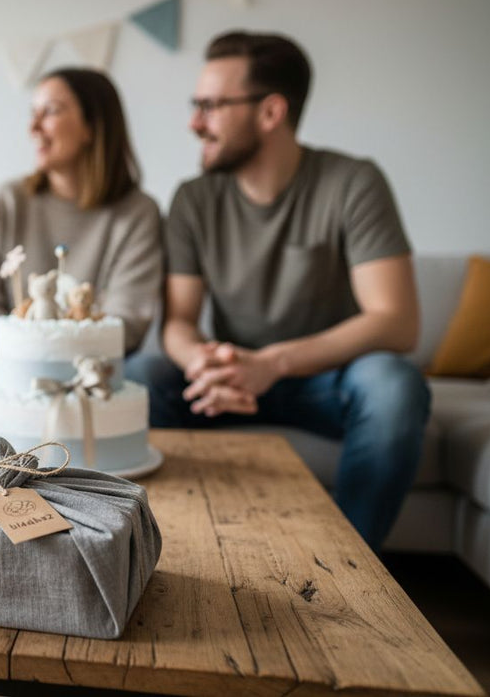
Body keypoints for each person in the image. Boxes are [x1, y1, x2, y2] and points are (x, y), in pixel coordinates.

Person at [130, 31, 430, 550]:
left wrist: (273, 363)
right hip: (229, 380)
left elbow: (396, 321)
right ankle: (164, 552)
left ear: (270, 112)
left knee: (394, 386)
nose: (194, 123)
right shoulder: (193, 199)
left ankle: (347, 568)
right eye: (195, 106)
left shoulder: (352, 182)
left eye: (210, 107)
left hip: (325, 381)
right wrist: (202, 362)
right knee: (139, 378)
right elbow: (178, 322)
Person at [0, 67, 164, 382]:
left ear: (92, 127)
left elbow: (128, 318)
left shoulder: (138, 213)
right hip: (16, 357)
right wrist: (31, 352)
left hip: (98, 363)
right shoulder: (8, 202)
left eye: (50, 112)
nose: (33, 128)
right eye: (33, 114)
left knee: (147, 376)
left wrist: (66, 358)